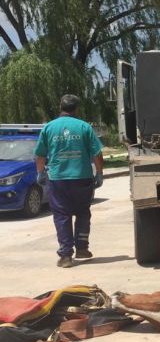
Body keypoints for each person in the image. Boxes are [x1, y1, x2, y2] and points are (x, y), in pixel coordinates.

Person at [34, 94, 104, 268]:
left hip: (58, 179)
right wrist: (100, 173)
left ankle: (66, 256)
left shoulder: (49, 127)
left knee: (61, 215)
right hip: (82, 177)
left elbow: (40, 155)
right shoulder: (84, 127)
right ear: (77, 108)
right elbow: (97, 154)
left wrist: (41, 172)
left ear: (61, 107)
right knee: (82, 212)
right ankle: (82, 248)